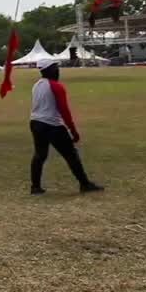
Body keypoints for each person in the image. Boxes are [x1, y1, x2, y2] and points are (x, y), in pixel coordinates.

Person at [29, 59, 103, 195]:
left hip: (35, 122)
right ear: (49, 70)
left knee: (40, 155)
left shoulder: (37, 85)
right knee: (71, 154)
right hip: (51, 125)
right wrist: (73, 130)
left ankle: (35, 187)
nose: (58, 70)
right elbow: (64, 110)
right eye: (55, 68)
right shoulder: (56, 86)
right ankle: (85, 184)